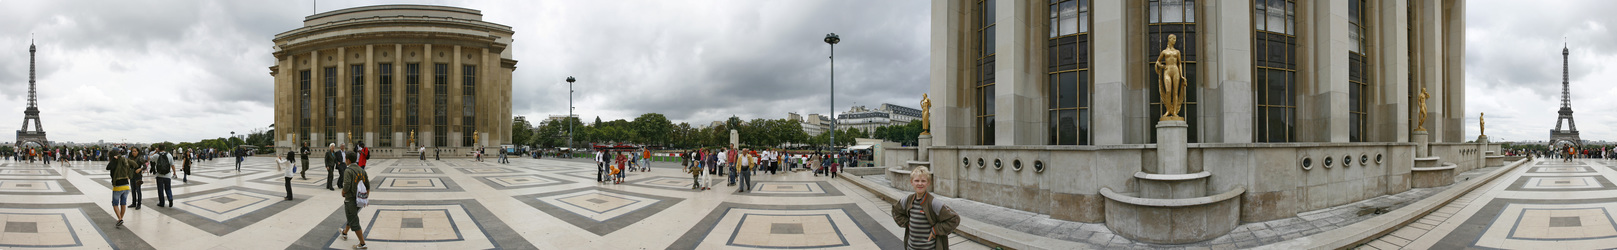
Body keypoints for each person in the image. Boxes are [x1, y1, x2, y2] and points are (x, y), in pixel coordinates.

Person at [891, 166, 960, 250]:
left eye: (923, 181)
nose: (920, 184)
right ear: (911, 182)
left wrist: (936, 230)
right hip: (911, 247)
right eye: (916, 181)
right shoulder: (908, 200)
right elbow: (896, 210)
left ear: (928, 183)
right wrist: (907, 223)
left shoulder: (933, 203)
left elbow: (954, 219)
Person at [337, 152, 372, 249]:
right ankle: (345, 232)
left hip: (350, 199)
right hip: (359, 200)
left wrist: (343, 191)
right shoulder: (362, 170)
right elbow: (368, 186)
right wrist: (365, 198)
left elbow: (347, 185)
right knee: (352, 216)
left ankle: (362, 243)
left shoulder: (348, 170)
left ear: (348, 160)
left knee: (353, 219)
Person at [107, 149, 135, 228]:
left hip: (118, 186)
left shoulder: (114, 162)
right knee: (123, 203)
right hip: (126, 185)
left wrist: (113, 159)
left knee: (115, 204)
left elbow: (108, 167)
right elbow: (133, 165)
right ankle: (121, 218)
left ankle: (120, 218)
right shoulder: (124, 161)